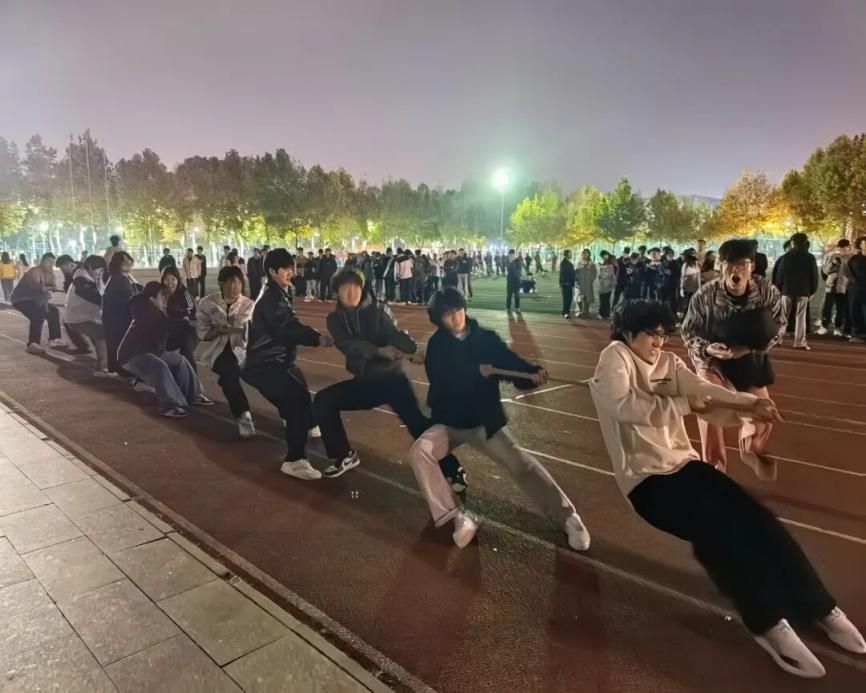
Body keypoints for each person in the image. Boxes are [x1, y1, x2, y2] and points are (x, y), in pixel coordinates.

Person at [590, 299, 864, 679]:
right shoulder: (614, 358)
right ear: (627, 332)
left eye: (663, 334)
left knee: (758, 520)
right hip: (646, 482)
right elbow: (625, 408)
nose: (658, 342)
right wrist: (683, 405)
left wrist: (749, 405)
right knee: (719, 535)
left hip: (685, 466)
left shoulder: (669, 363)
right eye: (651, 334)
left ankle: (819, 606)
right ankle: (768, 623)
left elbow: (703, 389)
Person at [408, 288, 591, 550]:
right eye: (447, 314)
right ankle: (457, 518)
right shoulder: (437, 345)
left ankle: (568, 517)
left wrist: (531, 374)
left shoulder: (486, 339)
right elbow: (444, 379)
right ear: (438, 318)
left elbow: (510, 363)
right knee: (420, 452)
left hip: (484, 422)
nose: (455, 317)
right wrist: (475, 372)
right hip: (449, 422)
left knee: (523, 465)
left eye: (458, 309)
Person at [313, 271, 468, 487]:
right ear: (336, 292)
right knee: (323, 400)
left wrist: (410, 349)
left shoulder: (378, 311)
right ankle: (344, 454)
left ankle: (452, 469)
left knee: (417, 424)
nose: (351, 293)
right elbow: (348, 344)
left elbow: (396, 336)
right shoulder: (335, 320)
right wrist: (378, 351)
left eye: (355, 287)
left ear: (362, 287)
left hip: (392, 381)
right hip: (364, 382)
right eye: (345, 288)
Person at [681, 238, 785, 479]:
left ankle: (751, 447)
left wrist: (746, 350)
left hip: (749, 356)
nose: (735, 270)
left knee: (763, 407)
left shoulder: (767, 291)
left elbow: (779, 327)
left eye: (742, 264)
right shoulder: (705, 296)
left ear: (752, 267)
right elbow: (688, 333)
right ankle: (714, 467)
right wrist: (708, 349)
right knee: (710, 404)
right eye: (729, 264)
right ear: (720, 266)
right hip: (712, 360)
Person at [242, 249, 335, 479]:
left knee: (299, 388)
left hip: (277, 361)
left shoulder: (278, 291)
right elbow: (287, 327)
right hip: (265, 363)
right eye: (285, 268)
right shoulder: (272, 297)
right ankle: (295, 460)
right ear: (272, 271)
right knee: (296, 402)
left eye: (291, 268)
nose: (290, 272)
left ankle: (307, 424)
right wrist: (317, 337)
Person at [119, 282, 211, 417]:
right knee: (159, 366)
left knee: (180, 360)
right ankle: (169, 405)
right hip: (132, 355)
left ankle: (193, 395)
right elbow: (167, 324)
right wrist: (189, 323)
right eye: (161, 296)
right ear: (151, 299)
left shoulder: (153, 309)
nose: (164, 299)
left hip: (151, 351)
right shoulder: (146, 311)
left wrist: (187, 320)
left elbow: (171, 317)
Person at [196, 266, 256, 437]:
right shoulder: (208, 304)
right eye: (232, 282)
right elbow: (202, 333)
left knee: (265, 377)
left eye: (239, 283)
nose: (236, 287)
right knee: (229, 374)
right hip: (218, 351)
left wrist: (237, 330)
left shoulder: (249, 305)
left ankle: (288, 412)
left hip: (243, 351)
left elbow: (252, 333)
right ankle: (243, 415)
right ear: (222, 283)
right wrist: (217, 331)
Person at [64, 255, 111, 375]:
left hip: (89, 316)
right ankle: (102, 367)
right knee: (102, 334)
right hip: (78, 319)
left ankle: (107, 360)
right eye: (99, 270)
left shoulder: (93, 279)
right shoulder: (81, 281)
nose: (100, 273)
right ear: (90, 267)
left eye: (102, 271)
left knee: (106, 331)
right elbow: (97, 298)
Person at [11, 252, 65, 354]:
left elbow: (51, 285)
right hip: (22, 299)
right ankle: (33, 344)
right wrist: (43, 288)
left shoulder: (50, 273)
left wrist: (53, 287)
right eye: (48, 262)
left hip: (38, 300)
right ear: (42, 261)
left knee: (53, 311)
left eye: (52, 263)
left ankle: (54, 339)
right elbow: (33, 286)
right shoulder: (34, 271)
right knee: (37, 315)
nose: (50, 265)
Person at [775, 232, 818, 351]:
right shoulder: (810, 257)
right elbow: (814, 276)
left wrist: (779, 288)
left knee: (783, 316)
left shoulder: (786, 257)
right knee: (801, 317)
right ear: (805, 243)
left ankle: (777, 338)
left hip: (786, 290)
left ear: (792, 243)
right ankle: (799, 342)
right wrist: (812, 290)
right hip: (803, 290)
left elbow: (780, 275)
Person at [102, 251, 143, 376]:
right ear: (117, 264)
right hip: (118, 319)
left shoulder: (124, 277)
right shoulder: (119, 280)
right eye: (124, 261)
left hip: (117, 318)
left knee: (116, 344)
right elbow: (131, 298)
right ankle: (123, 371)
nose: (128, 262)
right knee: (121, 344)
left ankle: (115, 369)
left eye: (129, 260)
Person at [160, 265, 199, 373]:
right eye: (167, 279)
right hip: (169, 328)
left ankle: (194, 377)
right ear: (162, 280)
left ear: (178, 280)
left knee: (186, 350)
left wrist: (184, 315)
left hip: (187, 328)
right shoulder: (160, 293)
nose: (170, 283)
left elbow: (191, 309)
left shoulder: (184, 293)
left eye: (173, 279)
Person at [817, 239, 852, 337]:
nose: (843, 252)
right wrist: (833, 263)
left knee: (841, 309)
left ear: (849, 248)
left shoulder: (851, 258)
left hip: (844, 287)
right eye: (841, 249)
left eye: (845, 249)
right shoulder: (833, 256)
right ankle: (824, 326)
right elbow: (825, 271)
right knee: (827, 307)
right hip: (831, 286)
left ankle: (838, 327)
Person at [845, 236, 866, 343]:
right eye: (864, 243)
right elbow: (848, 272)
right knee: (854, 311)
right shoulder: (854, 259)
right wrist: (855, 281)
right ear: (860, 245)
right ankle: (859, 333)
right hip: (855, 289)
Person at [576, 249, 597, 317]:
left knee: (587, 298)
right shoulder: (579, 263)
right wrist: (577, 279)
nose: (585, 255)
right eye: (584, 253)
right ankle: (580, 311)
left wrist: (591, 279)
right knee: (580, 297)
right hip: (581, 283)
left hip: (588, 283)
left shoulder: (591, 263)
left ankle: (586, 312)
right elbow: (576, 272)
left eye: (586, 253)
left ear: (588, 254)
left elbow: (594, 272)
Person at [597, 251, 616, 319]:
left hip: (607, 283)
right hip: (605, 283)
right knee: (605, 299)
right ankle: (605, 313)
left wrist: (603, 270)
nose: (603, 258)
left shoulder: (612, 261)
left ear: (606, 254)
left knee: (604, 299)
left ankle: (602, 313)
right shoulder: (606, 261)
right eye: (602, 257)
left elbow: (611, 272)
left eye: (603, 256)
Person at [559, 250, 576, 318]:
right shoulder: (564, 263)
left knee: (569, 298)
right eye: (570, 254)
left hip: (569, 283)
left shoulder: (568, 263)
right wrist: (565, 282)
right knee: (567, 299)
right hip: (566, 283)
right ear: (566, 255)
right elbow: (563, 274)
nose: (571, 255)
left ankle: (566, 312)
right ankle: (565, 312)